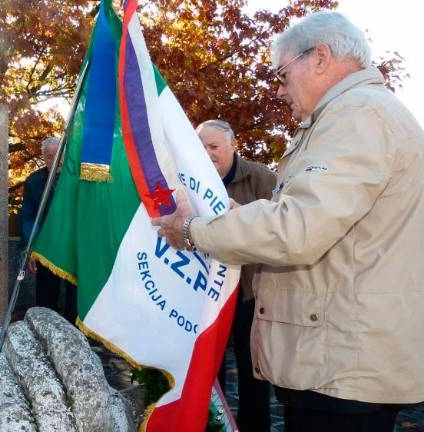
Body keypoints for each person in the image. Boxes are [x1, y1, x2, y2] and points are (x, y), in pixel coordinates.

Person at [154, 11, 424, 432]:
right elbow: (318, 218)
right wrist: (237, 217)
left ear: (320, 57)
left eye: (282, 74)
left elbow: (295, 229)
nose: (279, 89)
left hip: (339, 368)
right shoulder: (361, 115)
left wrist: (191, 231)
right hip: (340, 356)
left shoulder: (357, 117)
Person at [197, 119, 276, 432]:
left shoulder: (262, 178)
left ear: (233, 146)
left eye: (214, 146)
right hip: (205, 294)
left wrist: (240, 214)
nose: (207, 153)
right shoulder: (187, 179)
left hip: (250, 292)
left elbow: (279, 230)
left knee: (253, 373)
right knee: (207, 372)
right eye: (201, 147)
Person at [18, 136, 77, 323]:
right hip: (46, 247)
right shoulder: (34, 181)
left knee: (75, 296)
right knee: (46, 297)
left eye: (59, 155)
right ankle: (45, 330)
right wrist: (29, 248)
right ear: (44, 158)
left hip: (73, 246)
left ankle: (75, 335)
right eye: (50, 156)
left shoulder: (77, 178)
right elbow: (28, 218)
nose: (56, 160)